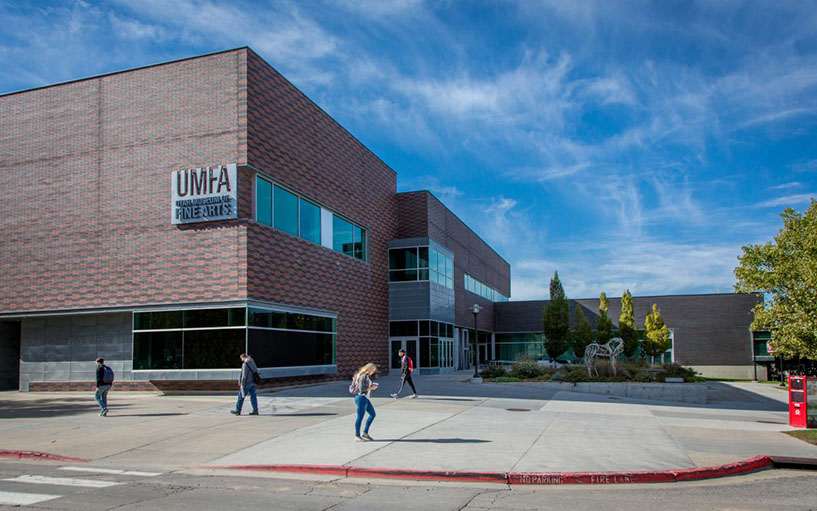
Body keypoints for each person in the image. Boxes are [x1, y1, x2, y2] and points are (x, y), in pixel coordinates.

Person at [353, 363, 378, 442]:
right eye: (373, 370)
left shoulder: (366, 376)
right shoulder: (363, 376)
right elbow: (361, 389)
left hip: (365, 398)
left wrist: (371, 386)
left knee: (372, 414)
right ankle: (357, 436)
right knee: (360, 417)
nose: (373, 372)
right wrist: (372, 388)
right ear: (369, 369)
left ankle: (365, 432)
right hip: (361, 398)